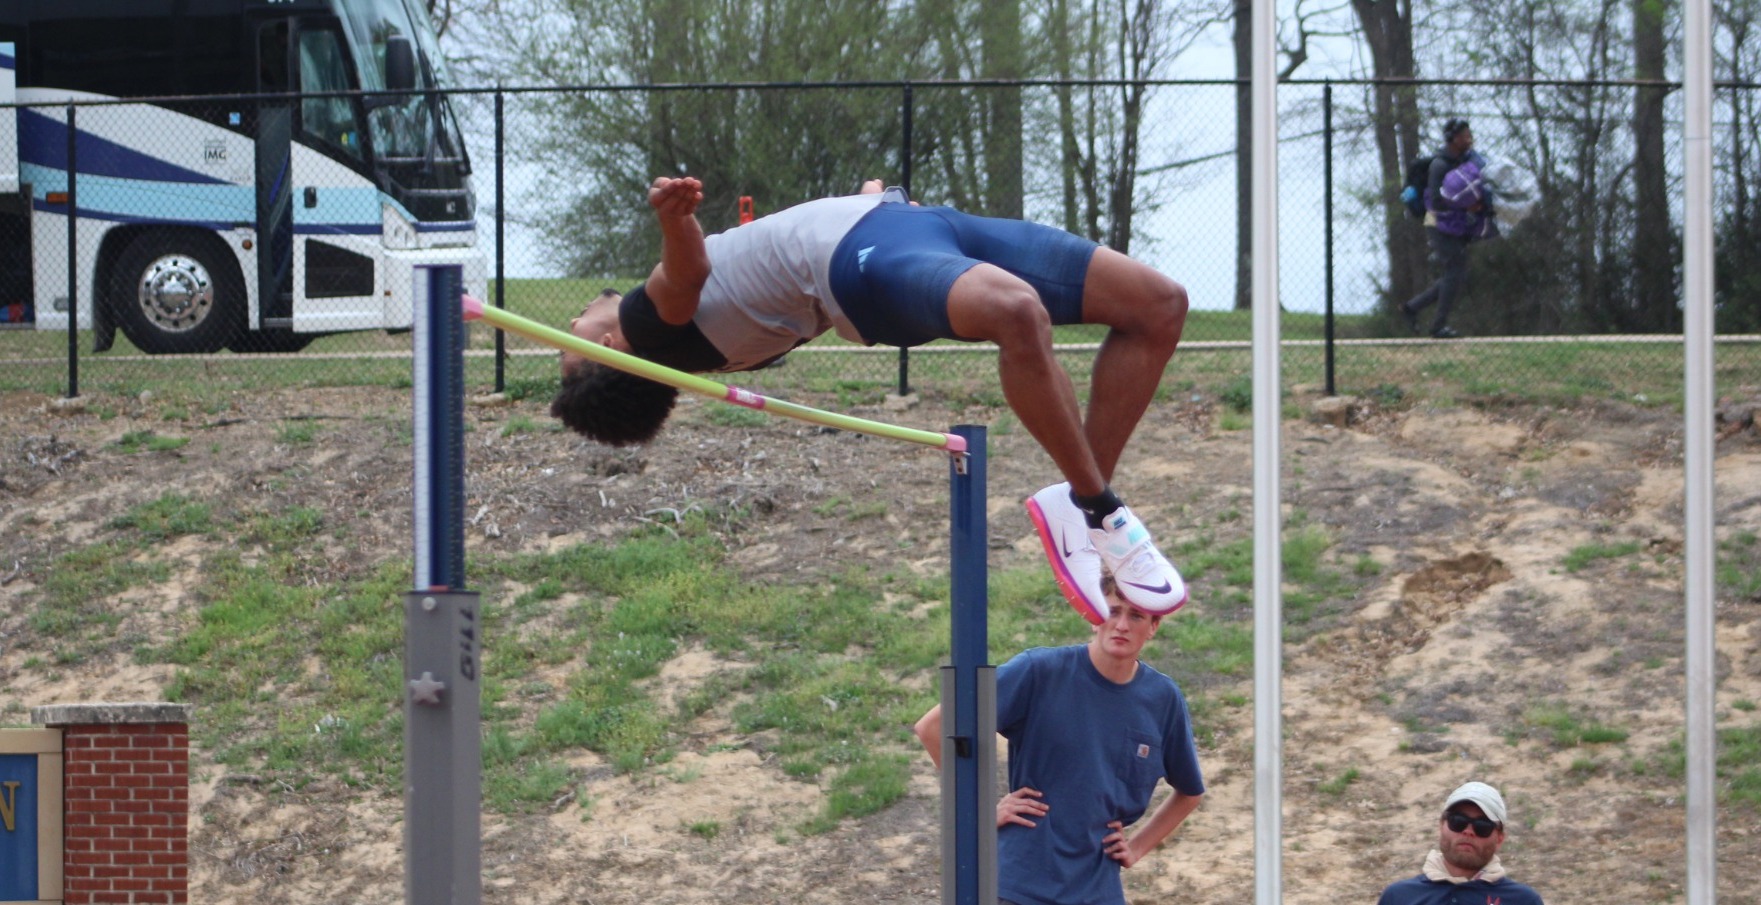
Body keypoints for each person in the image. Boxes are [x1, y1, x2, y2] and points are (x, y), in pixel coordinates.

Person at [552, 175, 1191, 622]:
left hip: (909, 226)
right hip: (873, 255)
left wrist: (865, 200)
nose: (572, 321)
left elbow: (767, 267)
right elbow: (685, 273)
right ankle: (1101, 510)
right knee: (1016, 311)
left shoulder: (715, 346)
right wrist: (674, 220)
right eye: (568, 344)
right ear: (611, 347)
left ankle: (1080, 510)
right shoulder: (646, 324)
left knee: (1158, 305)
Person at [912, 577, 1205, 905]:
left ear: (1153, 626)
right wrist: (977, 811)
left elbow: (1190, 792)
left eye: (1136, 616)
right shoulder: (1039, 670)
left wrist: (1136, 847)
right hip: (1016, 887)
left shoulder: (1163, 698)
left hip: (1099, 890)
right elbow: (933, 727)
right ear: (1093, 615)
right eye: (1112, 611)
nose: (1121, 625)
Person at [1399, 119, 1498, 340]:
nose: (1469, 140)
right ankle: (1438, 326)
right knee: (1455, 272)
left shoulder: (1466, 161)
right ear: (1453, 139)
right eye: (1465, 136)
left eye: (1469, 135)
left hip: (1455, 224)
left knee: (1455, 273)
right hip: (1437, 222)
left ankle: (1412, 308)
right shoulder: (1440, 165)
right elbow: (1435, 200)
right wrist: (1467, 205)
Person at [1376, 781, 1546, 905]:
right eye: (1458, 821)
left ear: (1499, 838)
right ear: (1442, 825)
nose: (1468, 831)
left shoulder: (1524, 900)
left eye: (1482, 826)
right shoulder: (1398, 897)